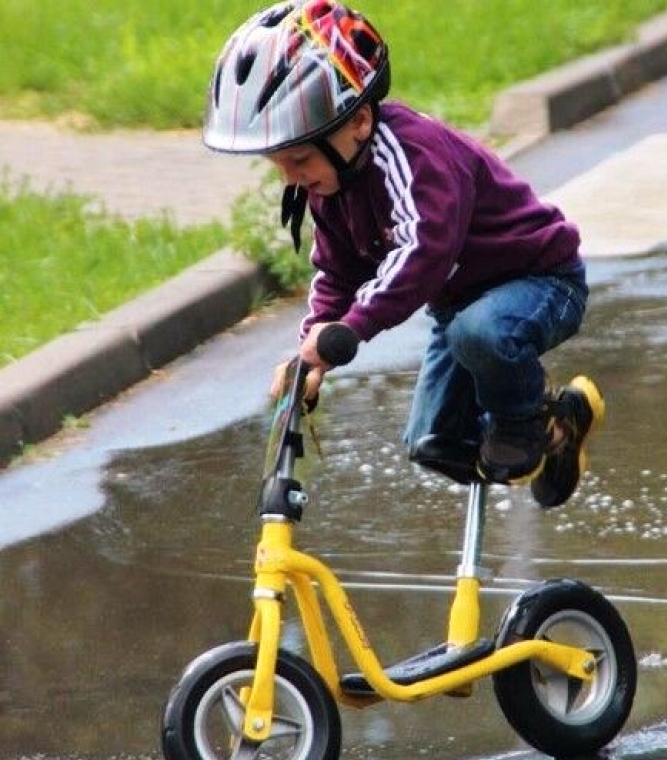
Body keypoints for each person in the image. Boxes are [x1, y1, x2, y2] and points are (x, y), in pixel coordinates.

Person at [203, 0, 604, 507]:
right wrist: (311, 350)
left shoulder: (415, 156)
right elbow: (337, 271)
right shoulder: (332, 185)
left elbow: (423, 253)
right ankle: (557, 431)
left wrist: (355, 327)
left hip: (541, 282)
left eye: (299, 158)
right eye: (278, 163)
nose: (290, 177)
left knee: (479, 334)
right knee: (433, 443)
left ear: (360, 122)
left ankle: (524, 421)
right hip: (462, 310)